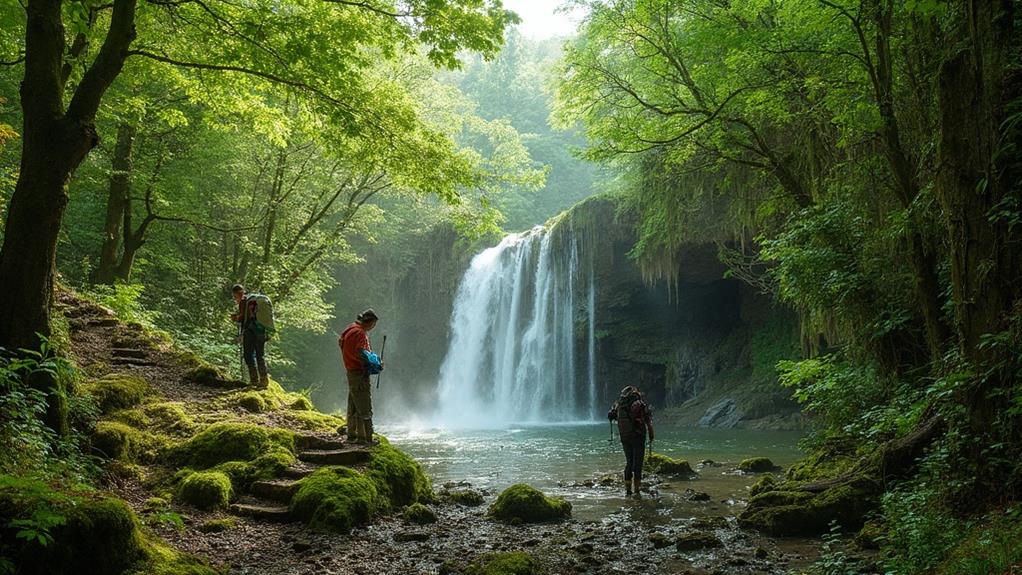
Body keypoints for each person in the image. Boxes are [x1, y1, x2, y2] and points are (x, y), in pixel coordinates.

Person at [339, 309, 383, 444]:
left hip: (350, 370)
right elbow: (361, 353)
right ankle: (366, 438)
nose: (373, 327)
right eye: (373, 324)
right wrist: (375, 363)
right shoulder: (360, 333)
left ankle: (352, 434)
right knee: (364, 405)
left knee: (353, 404)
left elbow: (341, 342)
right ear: (369, 322)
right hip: (359, 372)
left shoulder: (350, 329)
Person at [608, 385, 655, 496]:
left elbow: (613, 416)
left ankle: (628, 490)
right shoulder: (639, 403)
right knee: (638, 463)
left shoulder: (620, 404)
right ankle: (637, 491)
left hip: (625, 436)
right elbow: (648, 420)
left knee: (629, 462)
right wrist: (651, 434)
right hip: (638, 435)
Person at [231, 284, 270, 388]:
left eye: (235, 296)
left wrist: (236, 318)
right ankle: (264, 380)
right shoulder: (254, 301)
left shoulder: (244, 301)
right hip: (261, 330)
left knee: (248, 355)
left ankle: (254, 380)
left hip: (250, 331)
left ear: (238, 294)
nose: (236, 298)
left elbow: (242, 317)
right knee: (260, 355)